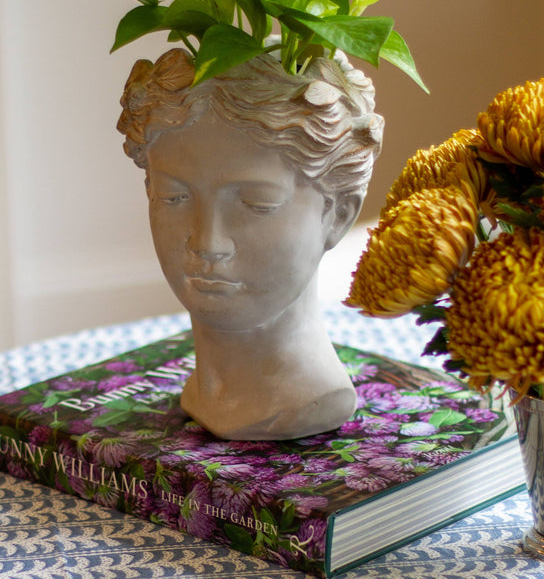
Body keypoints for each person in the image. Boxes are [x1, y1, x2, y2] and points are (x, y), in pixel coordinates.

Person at [117, 46, 384, 439]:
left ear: (339, 214)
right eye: (173, 197)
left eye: (256, 204)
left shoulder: (315, 398)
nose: (208, 242)